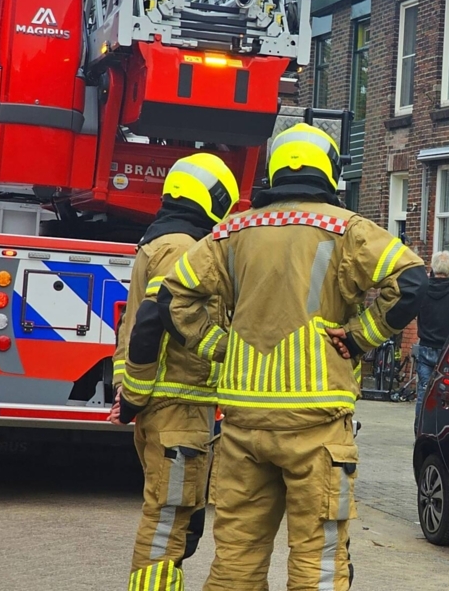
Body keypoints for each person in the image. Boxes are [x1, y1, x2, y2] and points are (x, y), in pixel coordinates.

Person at [129, 122, 427, 591]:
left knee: (236, 563)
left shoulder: (233, 231)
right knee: (318, 562)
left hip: (244, 425)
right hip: (316, 424)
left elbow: (172, 297)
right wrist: (360, 338)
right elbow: (410, 282)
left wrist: (218, 348)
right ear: (328, 170)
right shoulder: (345, 229)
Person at [109, 153, 240, 591]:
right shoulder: (182, 248)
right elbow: (151, 323)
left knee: (179, 519)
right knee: (168, 522)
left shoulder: (159, 241)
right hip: (176, 409)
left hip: (173, 412)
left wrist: (133, 396)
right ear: (214, 198)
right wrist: (135, 397)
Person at [413, 251, 449, 432]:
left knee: (424, 390)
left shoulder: (422, 290)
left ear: (432, 268)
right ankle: (447, 429)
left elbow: (416, 313)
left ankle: (421, 429)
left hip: (426, 348)